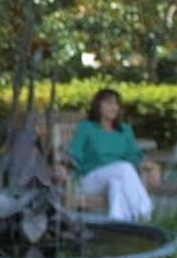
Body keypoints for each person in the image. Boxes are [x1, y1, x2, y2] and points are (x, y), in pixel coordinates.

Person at [65, 88, 153, 221]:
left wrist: (146, 164)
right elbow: (74, 152)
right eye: (109, 103)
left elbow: (132, 155)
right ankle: (145, 212)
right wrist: (65, 166)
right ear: (98, 106)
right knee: (124, 168)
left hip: (118, 176)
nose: (114, 107)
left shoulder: (124, 130)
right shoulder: (86, 128)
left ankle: (116, 224)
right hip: (89, 179)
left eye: (116, 104)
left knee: (116, 184)